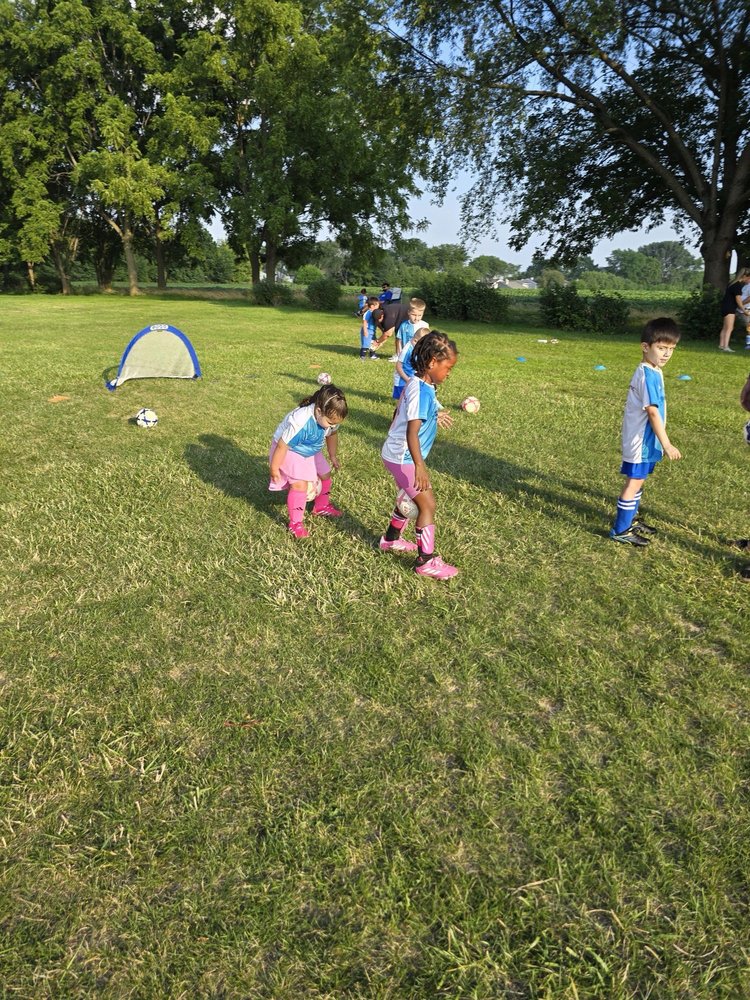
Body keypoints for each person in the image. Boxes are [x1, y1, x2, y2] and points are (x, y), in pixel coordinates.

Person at [380, 331, 459, 578]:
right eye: (448, 367)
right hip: (404, 457)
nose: (449, 373)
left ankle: (391, 539)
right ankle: (426, 561)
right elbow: (412, 432)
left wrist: (436, 414)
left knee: (410, 498)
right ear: (432, 362)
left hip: (396, 454)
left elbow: (398, 413)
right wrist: (419, 466)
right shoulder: (421, 391)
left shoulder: (420, 383)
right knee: (427, 504)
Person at [609, 317, 682, 546]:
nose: (667, 354)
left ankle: (631, 519)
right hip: (640, 441)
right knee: (634, 482)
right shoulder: (647, 374)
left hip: (648, 441)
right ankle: (620, 530)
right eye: (661, 348)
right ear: (645, 347)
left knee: (639, 481)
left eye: (671, 349)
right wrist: (667, 444)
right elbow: (652, 413)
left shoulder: (654, 369)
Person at [269, 384, 348, 538]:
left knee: (325, 474)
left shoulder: (329, 417)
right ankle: (295, 523)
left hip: (310, 448)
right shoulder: (301, 421)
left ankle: (321, 506)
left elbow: (332, 434)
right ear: (319, 411)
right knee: (300, 484)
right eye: (331, 422)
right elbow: (282, 445)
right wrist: (274, 468)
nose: (333, 425)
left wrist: (332, 455)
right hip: (291, 450)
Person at [392, 321, 430, 406]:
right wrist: (407, 379)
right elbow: (398, 366)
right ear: (415, 341)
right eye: (422, 345)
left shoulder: (417, 347)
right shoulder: (407, 350)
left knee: (412, 397)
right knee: (402, 401)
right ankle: (398, 415)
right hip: (401, 379)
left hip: (411, 377)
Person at [718, 266, 750, 352]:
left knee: (725, 327)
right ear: (744, 276)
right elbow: (738, 300)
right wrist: (744, 310)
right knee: (729, 328)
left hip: (725, 307)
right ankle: (726, 347)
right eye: (749, 278)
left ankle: (721, 345)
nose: (749, 280)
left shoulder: (731, 283)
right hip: (730, 308)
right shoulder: (737, 286)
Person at [359, 296, 381, 360]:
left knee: (373, 343)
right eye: (377, 305)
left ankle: (372, 355)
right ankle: (362, 356)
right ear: (372, 306)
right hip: (367, 330)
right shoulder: (368, 313)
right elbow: (365, 322)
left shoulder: (375, 312)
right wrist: (365, 331)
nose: (378, 306)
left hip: (372, 331)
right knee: (366, 343)